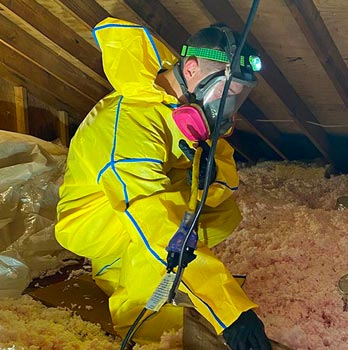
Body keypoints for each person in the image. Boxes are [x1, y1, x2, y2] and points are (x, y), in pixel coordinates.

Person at [55, 17, 271, 350]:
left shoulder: (185, 103)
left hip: (147, 208)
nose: (227, 108)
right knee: (157, 234)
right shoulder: (128, 122)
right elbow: (155, 219)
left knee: (223, 213)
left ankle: (163, 274)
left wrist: (209, 176)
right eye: (224, 95)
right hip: (96, 222)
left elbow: (224, 171)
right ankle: (145, 324)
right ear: (192, 70)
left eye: (237, 99)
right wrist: (230, 311)